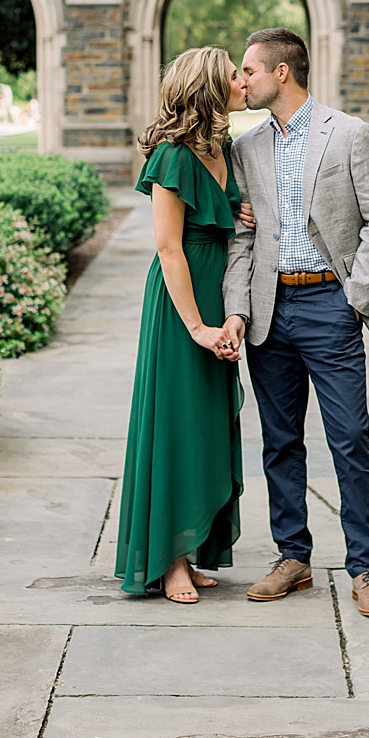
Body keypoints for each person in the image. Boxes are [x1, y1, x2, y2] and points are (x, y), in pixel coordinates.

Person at [220, 27, 369, 619]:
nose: (240, 80)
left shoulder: (351, 134)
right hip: (271, 311)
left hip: (331, 305)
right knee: (280, 441)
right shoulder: (246, 148)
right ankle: (292, 556)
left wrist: (357, 294)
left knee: (350, 438)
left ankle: (365, 568)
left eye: (248, 70)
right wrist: (238, 307)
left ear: (282, 73)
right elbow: (243, 238)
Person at [114, 46, 251, 604]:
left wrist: (240, 211)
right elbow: (169, 248)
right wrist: (196, 326)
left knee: (208, 425)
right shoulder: (172, 155)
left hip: (219, 295)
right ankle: (168, 561)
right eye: (235, 77)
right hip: (180, 306)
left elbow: (228, 214)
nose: (245, 82)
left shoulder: (228, 149)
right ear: (211, 88)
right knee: (175, 423)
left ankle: (192, 550)